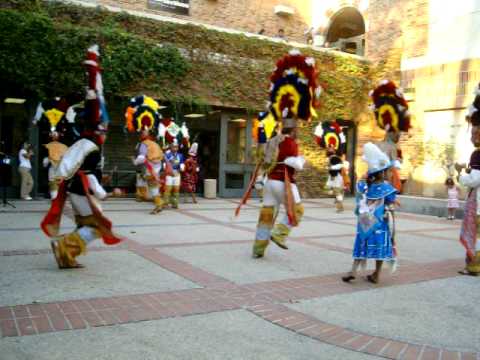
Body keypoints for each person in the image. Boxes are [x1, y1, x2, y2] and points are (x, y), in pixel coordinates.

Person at [41, 44, 121, 269]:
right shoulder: (90, 143)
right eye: (104, 128)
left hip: (76, 191)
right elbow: (87, 175)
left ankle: (68, 256)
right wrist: (104, 193)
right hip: (81, 191)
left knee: (84, 223)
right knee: (96, 226)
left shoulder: (86, 141)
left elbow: (78, 168)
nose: (105, 131)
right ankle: (65, 248)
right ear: (99, 129)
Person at [342, 142, 398, 284]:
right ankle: (376, 274)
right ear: (384, 172)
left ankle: (354, 270)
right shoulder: (387, 188)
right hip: (380, 224)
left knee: (361, 244)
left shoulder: (364, 186)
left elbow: (359, 203)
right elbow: (390, 204)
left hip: (365, 222)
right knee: (379, 249)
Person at [253, 117, 305, 258]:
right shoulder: (290, 142)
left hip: (269, 183)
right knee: (298, 210)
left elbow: (264, 159)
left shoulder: (273, 140)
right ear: (294, 129)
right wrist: (301, 160)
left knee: (266, 215)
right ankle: (279, 234)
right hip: (284, 182)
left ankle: (258, 248)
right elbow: (294, 163)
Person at [456, 81, 480, 276]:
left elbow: (474, 180)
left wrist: (460, 173)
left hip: (478, 201)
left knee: (475, 233)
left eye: (474, 132)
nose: (472, 136)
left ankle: (473, 266)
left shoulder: (477, 154)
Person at [371, 80, 411, 193]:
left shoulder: (379, 145)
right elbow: (395, 163)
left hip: (379, 177)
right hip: (384, 178)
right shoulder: (392, 146)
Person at [43, 132, 68, 200]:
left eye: (56, 136)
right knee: (53, 186)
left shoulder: (63, 147)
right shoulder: (49, 146)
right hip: (53, 170)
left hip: (60, 170)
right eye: (53, 136)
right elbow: (45, 163)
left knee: (59, 185)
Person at [163, 139, 185, 209]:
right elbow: (164, 164)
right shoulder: (167, 155)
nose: (175, 148)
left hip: (177, 174)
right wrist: (165, 169)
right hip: (169, 174)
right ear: (171, 147)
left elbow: (182, 163)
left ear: (178, 148)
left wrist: (182, 167)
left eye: (176, 147)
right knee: (168, 189)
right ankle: (166, 203)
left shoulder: (180, 155)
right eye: (173, 147)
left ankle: (175, 203)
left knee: (176, 189)